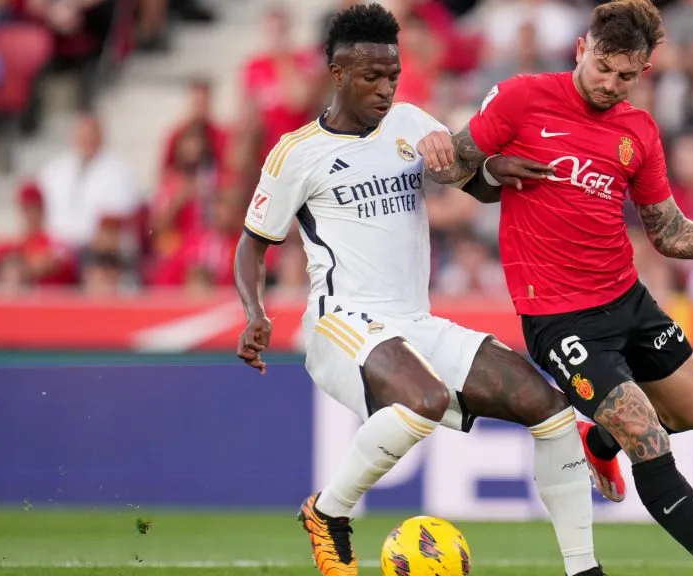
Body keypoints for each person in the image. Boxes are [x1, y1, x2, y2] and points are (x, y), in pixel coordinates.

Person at [417, 1, 693, 575]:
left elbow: (666, 232)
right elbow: (454, 167)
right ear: (581, 50)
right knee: (648, 437)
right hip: (561, 320)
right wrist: (453, 155)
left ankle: (598, 443)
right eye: (603, 68)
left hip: (627, 299)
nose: (611, 84)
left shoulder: (638, 131)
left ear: (643, 72)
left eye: (626, 76)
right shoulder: (521, 98)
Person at [233, 5, 602, 576]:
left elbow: (470, 181)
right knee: (422, 400)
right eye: (371, 77)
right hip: (341, 321)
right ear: (337, 74)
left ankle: (584, 569)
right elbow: (251, 244)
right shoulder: (296, 153)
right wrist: (255, 311)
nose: (386, 89)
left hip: (415, 321)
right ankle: (328, 513)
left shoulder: (409, 123)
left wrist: (493, 171)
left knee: (550, 409)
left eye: (393, 76)